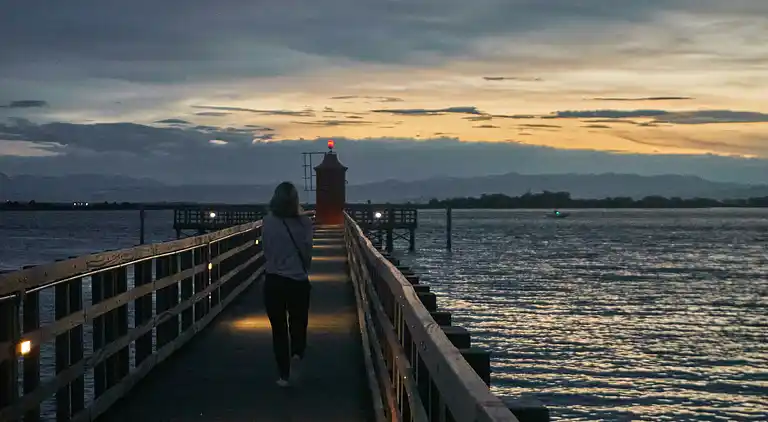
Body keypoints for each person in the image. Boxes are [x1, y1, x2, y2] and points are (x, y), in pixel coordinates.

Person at [260, 181, 313, 387]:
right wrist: (303, 267)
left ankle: (283, 375)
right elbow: (307, 252)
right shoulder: (304, 223)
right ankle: (297, 353)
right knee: (298, 322)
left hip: (274, 280)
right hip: (298, 281)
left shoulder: (267, 222)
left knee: (278, 329)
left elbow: (266, 250)